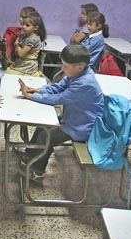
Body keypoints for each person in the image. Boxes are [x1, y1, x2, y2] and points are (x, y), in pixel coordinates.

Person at [18, 44, 104, 180]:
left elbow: (59, 98)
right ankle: (30, 155)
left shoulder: (85, 83)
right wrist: (37, 90)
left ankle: (37, 172)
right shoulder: (76, 73)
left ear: (79, 67)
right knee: (43, 125)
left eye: (65, 66)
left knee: (46, 137)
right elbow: (57, 87)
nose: (62, 68)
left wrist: (31, 96)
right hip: (72, 118)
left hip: (83, 127)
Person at [5, 11, 46, 77]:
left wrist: (17, 45)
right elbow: (17, 52)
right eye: (23, 24)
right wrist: (18, 46)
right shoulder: (24, 34)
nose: (23, 27)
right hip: (20, 63)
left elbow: (21, 54)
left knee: (8, 75)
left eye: (27, 25)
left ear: (35, 28)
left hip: (27, 67)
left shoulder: (33, 39)